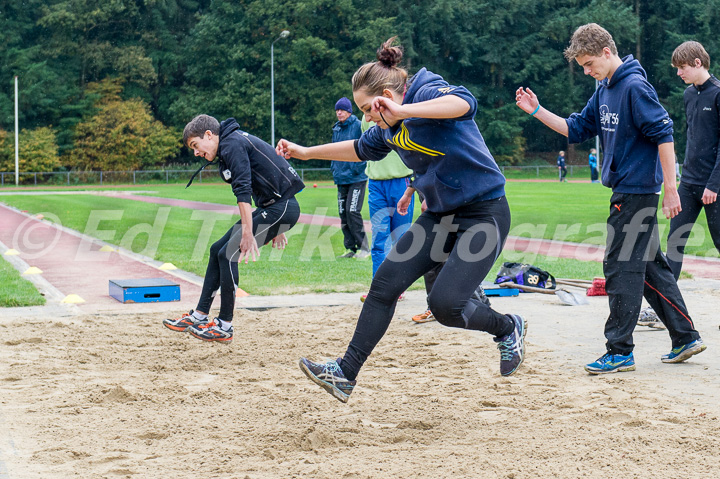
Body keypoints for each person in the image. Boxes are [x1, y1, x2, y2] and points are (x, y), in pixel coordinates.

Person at [278, 37, 526, 402]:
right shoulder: (387, 129)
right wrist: (305, 152)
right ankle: (345, 373)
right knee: (384, 285)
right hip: (440, 215)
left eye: (368, 108)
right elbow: (360, 150)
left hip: (484, 212)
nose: (366, 117)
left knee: (446, 306)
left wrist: (405, 111)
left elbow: (465, 103)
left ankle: (507, 328)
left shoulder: (425, 88)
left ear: (387, 96)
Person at [516, 23, 706, 374]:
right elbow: (576, 129)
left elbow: (665, 135)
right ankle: (685, 336)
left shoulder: (634, 86)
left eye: (590, 64)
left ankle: (620, 350)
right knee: (650, 269)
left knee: (620, 269)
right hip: (627, 190)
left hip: (636, 193)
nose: (588, 71)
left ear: (607, 52)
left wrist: (670, 188)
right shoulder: (604, 88)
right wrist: (536, 111)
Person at [162, 114, 303, 342]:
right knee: (217, 249)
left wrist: (249, 232)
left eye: (196, 146)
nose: (196, 153)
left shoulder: (232, 144)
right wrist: (278, 227)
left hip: (282, 208)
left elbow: (244, 190)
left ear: (209, 135)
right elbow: (264, 177)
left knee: (229, 254)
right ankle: (199, 315)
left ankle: (224, 325)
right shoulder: (229, 144)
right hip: (278, 207)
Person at [639, 41, 720, 328]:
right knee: (674, 244)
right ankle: (667, 310)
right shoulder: (689, 95)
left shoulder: (719, 94)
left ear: (698, 63)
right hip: (689, 184)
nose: (678, 73)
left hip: (714, 188)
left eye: (682, 67)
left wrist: (714, 184)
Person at [359, 116, 414, 302]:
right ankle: (378, 288)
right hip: (376, 183)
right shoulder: (365, 118)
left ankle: (398, 287)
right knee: (379, 238)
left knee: (401, 238)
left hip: (402, 181)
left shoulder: (398, 113)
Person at [331, 97, 370, 259]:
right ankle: (350, 248)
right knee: (343, 213)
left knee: (352, 211)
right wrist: (334, 168)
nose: (339, 113)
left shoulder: (357, 126)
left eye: (342, 110)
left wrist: (356, 168)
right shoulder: (336, 129)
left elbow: (364, 148)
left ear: (349, 111)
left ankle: (364, 248)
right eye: (337, 110)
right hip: (341, 178)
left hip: (357, 177)